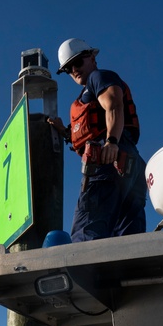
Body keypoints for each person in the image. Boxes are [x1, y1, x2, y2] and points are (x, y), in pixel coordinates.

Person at [48, 38, 147, 242]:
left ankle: (85, 273)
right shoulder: (87, 92)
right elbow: (90, 130)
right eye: (68, 68)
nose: (74, 70)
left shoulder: (99, 78)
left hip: (107, 162)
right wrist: (66, 132)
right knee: (127, 238)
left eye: (78, 62)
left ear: (92, 57)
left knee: (87, 232)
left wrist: (111, 141)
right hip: (130, 166)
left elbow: (113, 105)